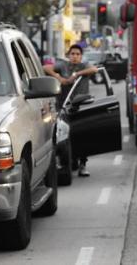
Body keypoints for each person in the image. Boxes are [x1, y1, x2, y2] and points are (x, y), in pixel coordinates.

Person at [43, 44, 98, 177]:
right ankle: (63, 162)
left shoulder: (84, 66)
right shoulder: (63, 65)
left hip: (81, 106)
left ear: (81, 56)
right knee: (63, 135)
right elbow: (45, 67)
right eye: (72, 54)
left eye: (77, 54)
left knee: (82, 135)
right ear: (68, 55)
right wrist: (59, 78)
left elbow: (95, 70)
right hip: (64, 106)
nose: (74, 56)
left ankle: (82, 165)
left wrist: (77, 74)